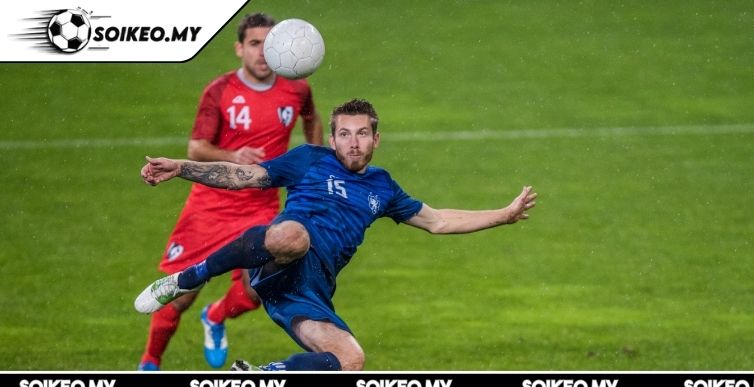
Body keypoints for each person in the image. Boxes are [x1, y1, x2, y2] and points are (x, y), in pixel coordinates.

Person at [135, 99, 537, 371]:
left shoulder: (383, 187)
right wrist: (182, 167)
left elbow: (439, 221)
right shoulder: (309, 159)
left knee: (350, 359)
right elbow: (243, 176)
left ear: (376, 139)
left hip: (308, 289)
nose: (353, 143)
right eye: (344, 134)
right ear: (331, 139)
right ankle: (189, 277)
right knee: (294, 236)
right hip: (278, 255)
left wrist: (503, 215)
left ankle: (266, 374)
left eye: (362, 134)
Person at [136, 12, 323, 371]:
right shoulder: (220, 91)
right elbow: (196, 148)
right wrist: (232, 156)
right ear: (239, 48)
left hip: (260, 206)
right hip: (210, 207)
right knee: (179, 295)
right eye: (254, 44)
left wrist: (314, 161)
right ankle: (150, 362)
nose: (262, 52)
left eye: (268, 44)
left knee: (258, 291)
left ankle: (215, 316)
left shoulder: (297, 88)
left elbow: (311, 118)